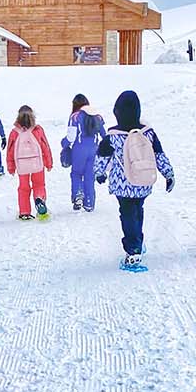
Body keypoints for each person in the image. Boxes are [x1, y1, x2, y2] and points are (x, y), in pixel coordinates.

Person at [93, 90, 175, 271]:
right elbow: (159, 155)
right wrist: (168, 174)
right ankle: (138, 241)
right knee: (138, 210)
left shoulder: (112, 136)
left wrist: (99, 173)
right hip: (143, 182)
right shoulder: (148, 133)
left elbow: (101, 158)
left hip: (123, 186)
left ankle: (133, 250)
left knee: (127, 214)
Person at [5, 104, 54, 220]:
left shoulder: (14, 132)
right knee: (39, 185)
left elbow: (10, 151)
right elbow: (45, 146)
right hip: (37, 163)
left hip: (22, 165)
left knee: (23, 188)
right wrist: (48, 163)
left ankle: (24, 212)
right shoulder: (37, 130)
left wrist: (11, 167)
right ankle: (39, 200)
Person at [61, 93, 104, 212]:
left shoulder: (75, 117)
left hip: (79, 150)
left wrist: (63, 143)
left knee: (76, 173)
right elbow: (104, 134)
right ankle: (89, 202)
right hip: (94, 150)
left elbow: (71, 137)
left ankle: (78, 194)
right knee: (90, 176)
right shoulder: (97, 116)